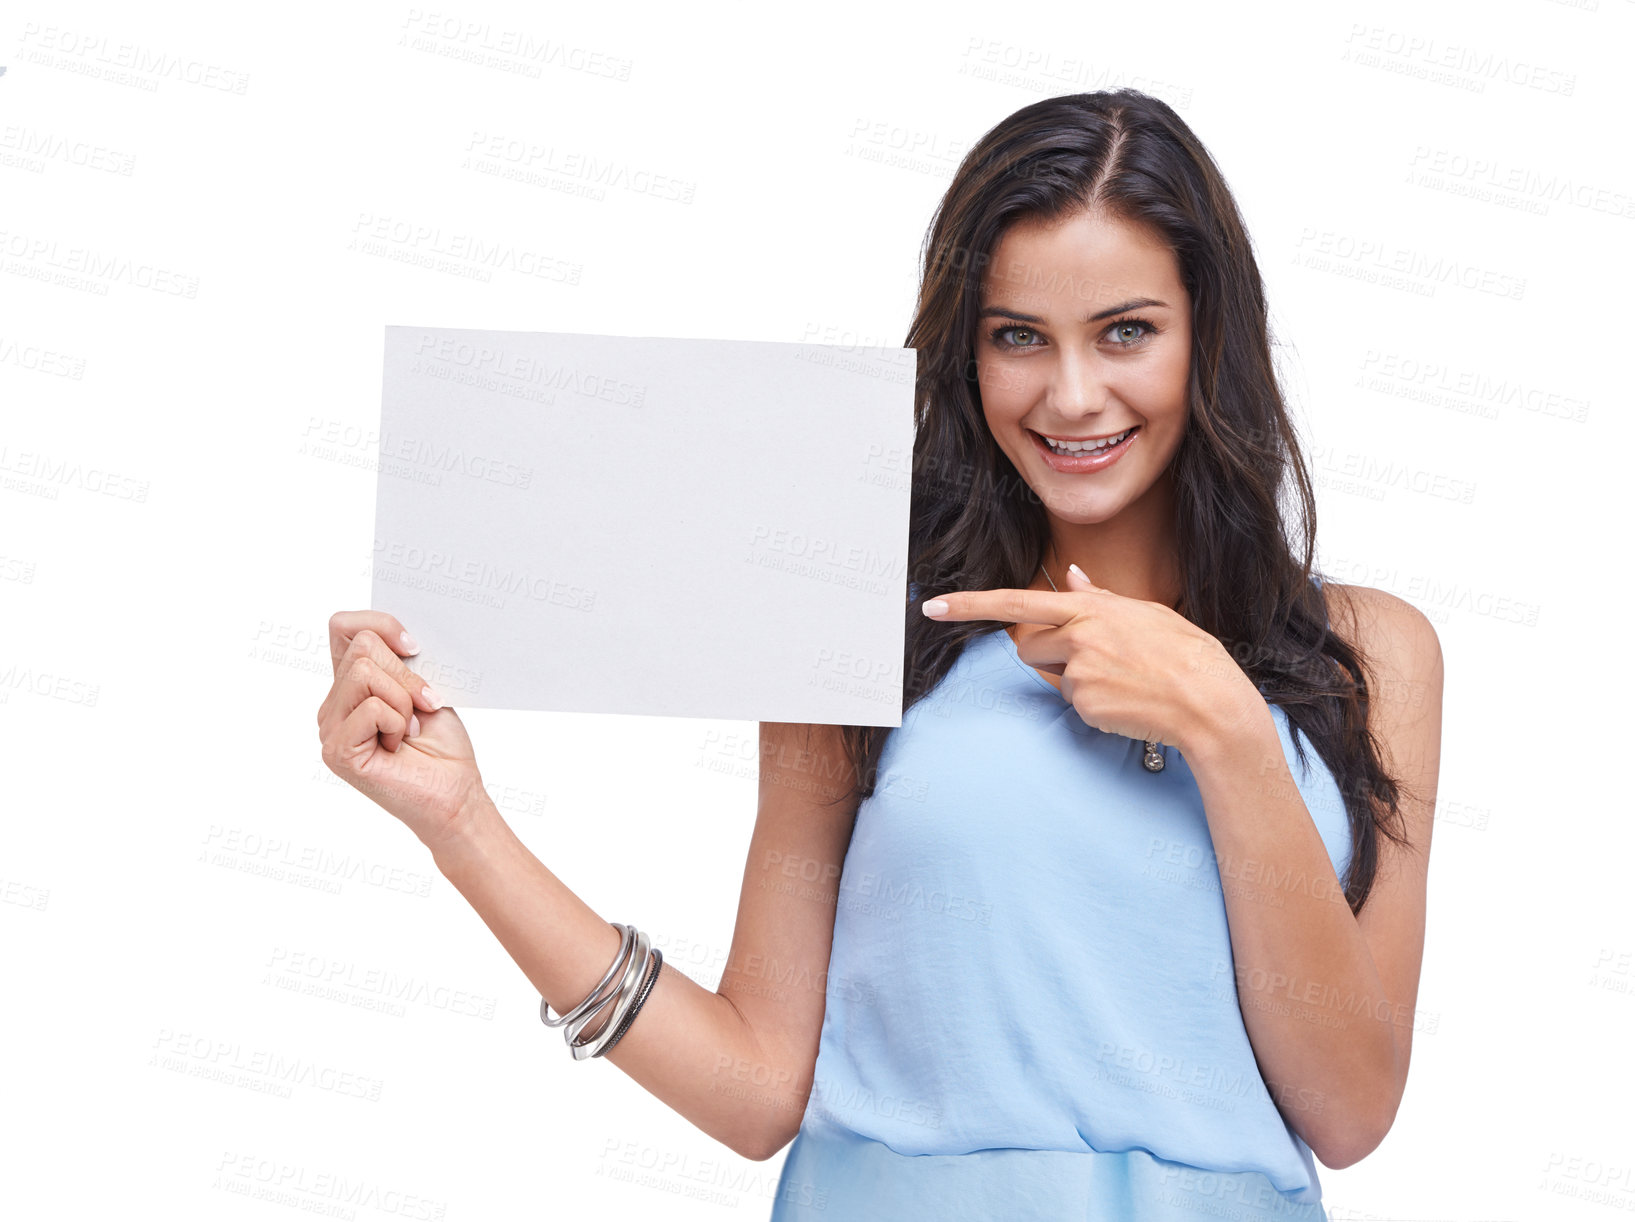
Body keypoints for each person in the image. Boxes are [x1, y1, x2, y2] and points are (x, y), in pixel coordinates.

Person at [316, 89, 1442, 1221]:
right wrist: (461, 826)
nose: (1072, 394)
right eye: (1018, 337)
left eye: (1127, 330)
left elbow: (1350, 1110)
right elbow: (757, 1086)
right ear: (968, 352)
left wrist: (1223, 722)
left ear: (1210, 334)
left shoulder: (1374, 654)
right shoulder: (861, 620)